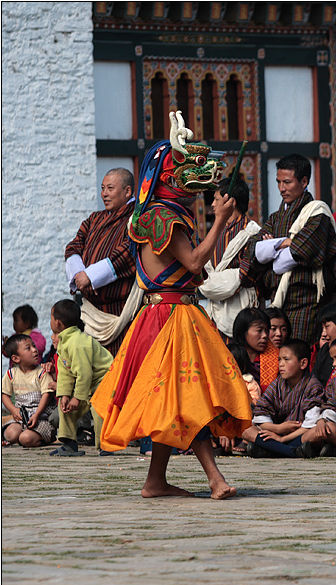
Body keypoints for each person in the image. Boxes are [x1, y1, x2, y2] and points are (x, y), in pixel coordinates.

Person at [90, 113, 252, 499]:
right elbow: (196, 263)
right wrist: (221, 219)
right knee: (186, 398)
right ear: (167, 176)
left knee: (174, 400)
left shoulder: (158, 214)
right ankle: (215, 479)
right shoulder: (163, 217)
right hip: (170, 319)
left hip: (167, 313)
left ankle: (155, 481)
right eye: (187, 167)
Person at [241, 153, 336, 343]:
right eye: (278, 182)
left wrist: (273, 247)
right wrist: (284, 242)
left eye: (287, 182)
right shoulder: (276, 217)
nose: (281, 188)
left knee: (299, 354)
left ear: (304, 181)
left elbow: (299, 252)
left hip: (306, 302)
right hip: (277, 300)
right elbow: (253, 249)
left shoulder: (317, 213)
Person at [65, 167, 139, 356]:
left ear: (127, 191)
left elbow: (128, 252)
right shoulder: (94, 219)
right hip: (92, 313)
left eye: (110, 188)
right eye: (102, 188)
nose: (104, 194)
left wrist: (90, 276)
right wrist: (79, 275)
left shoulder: (137, 219)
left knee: (121, 368)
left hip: (121, 313)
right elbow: (73, 246)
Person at [197, 176, 261, 341]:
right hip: (213, 317)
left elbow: (242, 278)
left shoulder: (252, 234)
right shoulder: (216, 234)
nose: (212, 204)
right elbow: (202, 271)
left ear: (229, 202)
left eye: (216, 199)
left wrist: (209, 281)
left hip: (239, 315)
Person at [48, 299, 113, 456]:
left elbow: (85, 374)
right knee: (64, 407)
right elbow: (65, 373)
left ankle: (106, 446)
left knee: (99, 410)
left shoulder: (78, 343)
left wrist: (77, 398)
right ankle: (69, 443)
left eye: (50, 317)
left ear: (57, 323)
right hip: (87, 383)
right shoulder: (64, 342)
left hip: (103, 379)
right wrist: (64, 395)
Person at [242, 339, 324, 458]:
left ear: (303, 363)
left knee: (316, 433)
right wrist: (278, 428)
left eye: (286, 359)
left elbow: (310, 424)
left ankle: (272, 449)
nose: (281, 364)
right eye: (279, 359)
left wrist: (283, 439)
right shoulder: (277, 384)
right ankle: (291, 452)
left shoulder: (313, 386)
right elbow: (260, 414)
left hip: (299, 435)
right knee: (246, 430)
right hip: (276, 433)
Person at [1, 334, 54, 448]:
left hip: (40, 419)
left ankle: (43, 438)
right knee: (10, 434)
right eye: (28, 348)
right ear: (16, 358)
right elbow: (4, 394)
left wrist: (37, 414)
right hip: (21, 418)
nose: (35, 350)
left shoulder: (41, 373)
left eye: (34, 346)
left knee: (25, 438)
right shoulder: (11, 374)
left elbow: (46, 395)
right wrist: (13, 410)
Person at [233, 308, 280, 393]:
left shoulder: (276, 357)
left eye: (267, 331)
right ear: (243, 331)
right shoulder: (231, 356)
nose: (265, 335)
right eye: (259, 330)